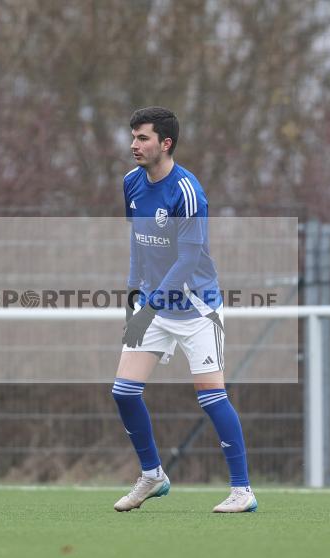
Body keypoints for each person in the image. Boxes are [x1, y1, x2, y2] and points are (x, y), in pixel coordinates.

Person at [111, 107, 256, 513]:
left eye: (142, 138)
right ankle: (153, 475)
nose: (134, 145)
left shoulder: (187, 191)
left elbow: (188, 263)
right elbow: (138, 243)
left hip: (196, 310)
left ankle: (242, 491)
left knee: (211, 397)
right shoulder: (132, 184)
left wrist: (149, 307)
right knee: (123, 393)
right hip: (152, 307)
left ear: (165, 143)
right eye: (133, 137)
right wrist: (133, 296)